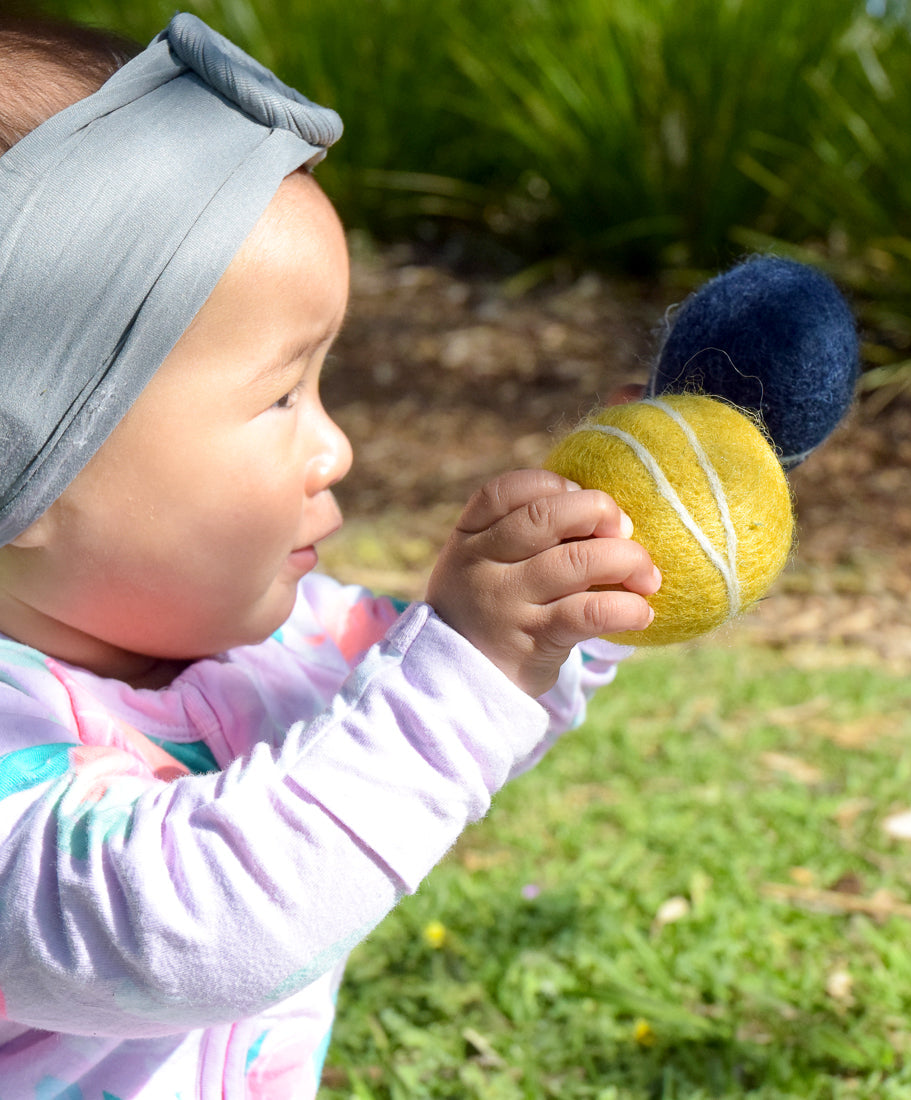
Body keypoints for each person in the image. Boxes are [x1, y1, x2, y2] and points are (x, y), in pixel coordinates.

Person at [0, 12, 660, 1098]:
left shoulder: (277, 637)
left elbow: (418, 734)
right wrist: (471, 668)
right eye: (277, 394)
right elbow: (187, 923)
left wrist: (555, 604)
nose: (335, 444)